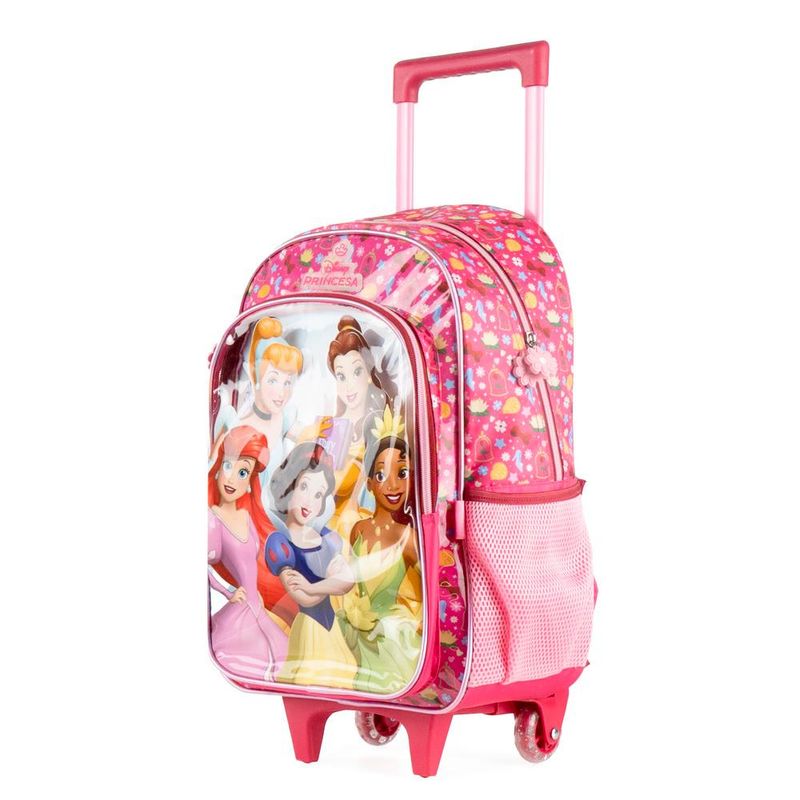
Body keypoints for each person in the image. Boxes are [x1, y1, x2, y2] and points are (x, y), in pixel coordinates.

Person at [265, 442, 358, 689]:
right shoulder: (280, 543)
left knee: (343, 680)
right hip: (310, 630)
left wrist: (312, 586)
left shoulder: (327, 537)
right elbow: (303, 598)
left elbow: (348, 580)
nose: (310, 500)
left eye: (318, 494)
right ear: (288, 485)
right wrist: (331, 584)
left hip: (333, 630)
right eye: (304, 487)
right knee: (312, 681)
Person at [207, 426, 288, 681]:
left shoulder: (246, 517)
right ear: (218, 468)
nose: (232, 479)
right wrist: (227, 591)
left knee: (282, 654)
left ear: (251, 482)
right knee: (257, 661)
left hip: (257, 605)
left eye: (243, 472)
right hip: (241, 608)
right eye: (228, 466)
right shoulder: (213, 519)